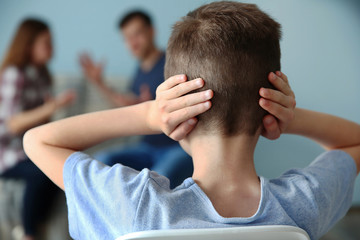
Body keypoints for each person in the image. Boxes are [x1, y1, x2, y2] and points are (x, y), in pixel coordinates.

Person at [23, 2, 360, 240]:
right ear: (268, 109)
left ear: (183, 114)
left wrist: (149, 114)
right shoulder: (303, 203)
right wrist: (286, 115)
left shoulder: (132, 204)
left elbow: (36, 140)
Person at [79, 10, 192, 188]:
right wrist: (99, 83)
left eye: (137, 34)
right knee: (101, 161)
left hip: (177, 148)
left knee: (153, 182)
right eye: (127, 38)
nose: (132, 42)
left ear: (151, 31)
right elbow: (128, 104)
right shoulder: (139, 72)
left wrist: (151, 106)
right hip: (147, 148)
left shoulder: (173, 63)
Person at [0, 18, 75, 240]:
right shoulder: (14, 74)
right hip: (9, 154)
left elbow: (41, 124)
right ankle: (29, 234)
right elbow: (12, 124)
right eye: (46, 42)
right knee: (42, 170)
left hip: (29, 149)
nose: (52, 48)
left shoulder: (42, 75)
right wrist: (51, 107)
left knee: (63, 166)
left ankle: (37, 228)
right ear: (29, 45)